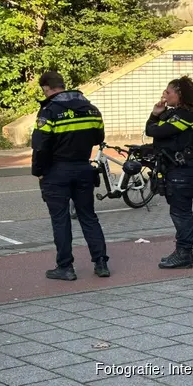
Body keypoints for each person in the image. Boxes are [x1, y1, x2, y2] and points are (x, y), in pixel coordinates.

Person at [31, 70, 110, 281]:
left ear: (47, 89)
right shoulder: (91, 109)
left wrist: (39, 172)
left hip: (57, 171)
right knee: (88, 216)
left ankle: (65, 267)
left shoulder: (49, 112)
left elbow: (40, 146)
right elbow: (98, 137)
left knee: (61, 220)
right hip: (84, 168)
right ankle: (101, 263)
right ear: (63, 85)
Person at [145, 75, 193, 269]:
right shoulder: (183, 113)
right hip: (181, 168)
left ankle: (184, 254)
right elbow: (153, 130)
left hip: (183, 170)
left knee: (181, 212)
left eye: (168, 92)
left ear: (179, 94)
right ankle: (182, 251)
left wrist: (155, 115)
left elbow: (154, 131)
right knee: (180, 210)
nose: (165, 94)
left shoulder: (183, 116)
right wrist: (158, 113)